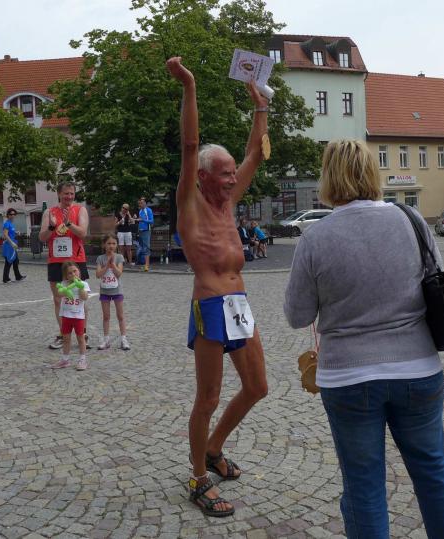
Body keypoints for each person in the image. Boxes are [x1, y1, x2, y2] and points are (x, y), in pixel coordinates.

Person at [283, 139, 444, 538]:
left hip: (349, 377)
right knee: (434, 473)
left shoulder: (316, 237)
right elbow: (436, 280)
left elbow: (298, 315)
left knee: (363, 485)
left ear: (328, 177)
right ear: (372, 172)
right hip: (417, 368)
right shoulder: (412, 220)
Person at [167, 56, 269, 517]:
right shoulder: (190, 201)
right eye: (224, 173)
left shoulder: (228, 200)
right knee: (207, 397)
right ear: (203, 175)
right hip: (209, 302)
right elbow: (190, 145)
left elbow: (256, 154)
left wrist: (260, 105)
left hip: (238, 302)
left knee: (257, 387)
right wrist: (189, 85)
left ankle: (213, 448)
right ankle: (197, 476)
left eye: (233, 173)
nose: (232, 178)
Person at [39, 181, 91, 350]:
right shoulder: (49, 212)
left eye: (72, 193)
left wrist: (69, 224)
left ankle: (83, 333)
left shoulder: (80, 210)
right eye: (66, 193)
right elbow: (42, 237)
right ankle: (63, 334)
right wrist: (52, 227)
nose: (69, 196)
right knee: (58, 299)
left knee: (80, 297)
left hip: (75, 259)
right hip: (56, 261)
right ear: (59, 194)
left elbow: (83, 233)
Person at [51, 261, 91, 371]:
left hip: (78, 317)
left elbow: (84, 297)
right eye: (70, 273)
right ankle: (65, 360)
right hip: (66, 315)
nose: (73, 274)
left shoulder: (84, 284)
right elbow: (59, 294)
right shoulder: (64, 283)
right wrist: (65, 290)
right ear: (66, 275)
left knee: (81, 339)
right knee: (66, 339)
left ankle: (82, 359)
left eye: (75, 271)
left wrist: (80, 287)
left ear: (79, 271)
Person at [95, 234, 130, 351]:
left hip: (117, 290)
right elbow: (98, 274)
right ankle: (106, 339)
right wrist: (106, 266)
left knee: (120, 315)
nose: (111, 246)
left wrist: (113, 264)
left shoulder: (119, 257)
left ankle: (124, 339)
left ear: (117, 245)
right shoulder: (100, 258)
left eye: (114, 243)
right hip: (104, 290)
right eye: (109, 243)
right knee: (106, 316)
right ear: (104, 245)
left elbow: (119, 273)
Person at [1, 208, 26, 284]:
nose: (12, 216)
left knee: (16, 261)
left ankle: (18, 276)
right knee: (8, 261)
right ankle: (5, 279)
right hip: (9, 245)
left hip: (12, 245)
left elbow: (10, 232)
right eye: (11, 214)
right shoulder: (7, 224)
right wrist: (12, 243)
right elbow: (5, 235)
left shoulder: (11, 223)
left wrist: (16, 232)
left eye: (14, 214)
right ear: (8, 215)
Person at [135, 197, 154, 271]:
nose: (141, 204)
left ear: (145, 203)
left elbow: (151, 221)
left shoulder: (148, 210)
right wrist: (135, 219)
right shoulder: (140, 211)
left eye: (142, 203)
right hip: (140, 231)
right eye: (140, 203)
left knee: (146, 247)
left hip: (146, 230)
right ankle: (144, 264)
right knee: (142, 247)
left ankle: (147, 265)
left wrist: (142, 220)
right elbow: (140, 221)